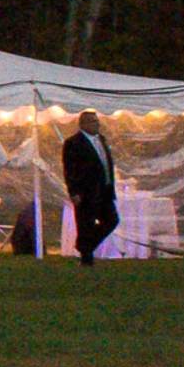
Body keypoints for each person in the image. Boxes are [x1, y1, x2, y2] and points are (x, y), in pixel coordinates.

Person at [65, 110, 121, 264]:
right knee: (86, 224)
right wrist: (73, 191)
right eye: (93, 121)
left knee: (112, 219)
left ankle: (84, 246)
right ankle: (86, 258)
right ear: (83, 124)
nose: (97, 124)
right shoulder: (73, 143)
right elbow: (70, 169)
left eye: (97, 121)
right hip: (86, 191)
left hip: (105, 190)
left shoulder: (101, 140)